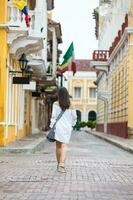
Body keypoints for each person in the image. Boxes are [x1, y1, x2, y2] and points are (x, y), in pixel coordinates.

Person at [50, 87, 77, 173]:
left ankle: (59, 164)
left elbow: (53, 116)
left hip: (58, 127)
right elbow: (74, 117)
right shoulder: (71, 105)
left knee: (58, 146)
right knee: (64, 145)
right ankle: (62, 164)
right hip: (67, 128)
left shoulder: (55, 104)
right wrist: (72, 125)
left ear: (59, 94)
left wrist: (52, 126)